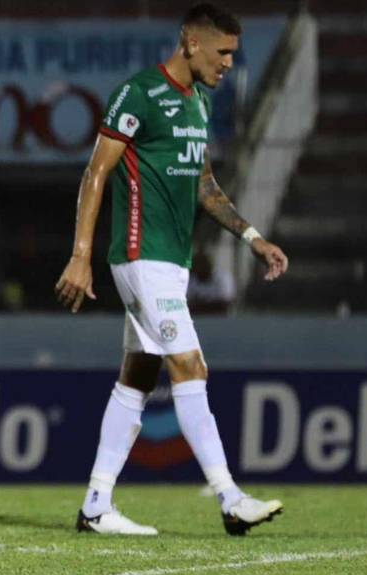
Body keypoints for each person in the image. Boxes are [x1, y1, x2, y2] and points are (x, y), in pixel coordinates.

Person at [54, 3, 289, 536]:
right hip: (141, 256)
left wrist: (252, 237)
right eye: (223, 52)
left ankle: (96, 505)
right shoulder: (138, 94)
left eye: (234, 53)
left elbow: (203, 185)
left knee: (137, 376)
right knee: (190, 367)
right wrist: (80, 254)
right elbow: (96, 173)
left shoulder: (199, 101)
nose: (230, 63)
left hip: (171, 262)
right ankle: (230, 498)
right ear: (191, 41)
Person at [187, 247, 235, 314]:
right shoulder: (191, 280)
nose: (201, 266)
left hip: (221, 319)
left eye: (203, 263)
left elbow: (226, 303)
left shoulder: (223, 277)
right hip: (198, 319)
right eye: (198, 263)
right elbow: (187, 305)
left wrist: (200, 304)